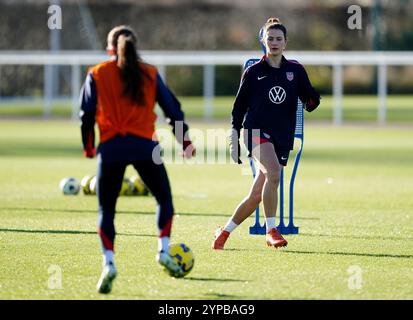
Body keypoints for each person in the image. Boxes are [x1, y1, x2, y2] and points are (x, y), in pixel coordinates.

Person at [80, 25, 195, 293]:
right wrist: (185, 142)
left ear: (110, 48)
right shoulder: (150, 74)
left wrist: (88, 146)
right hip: (145, 147)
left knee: (106, 211)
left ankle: (109, 263)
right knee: (163, 200)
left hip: (111, 149)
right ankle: (164, 250)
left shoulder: (97, 74)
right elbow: (173, 110)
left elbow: (85, 114)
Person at [212, 17, 320, 250]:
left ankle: (224, 231)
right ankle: (272, 231)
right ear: (263, 41)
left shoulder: (296, 70)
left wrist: (313, 100)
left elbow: (309, 98)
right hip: (255, 131)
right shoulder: (253, 72)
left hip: (282, 135)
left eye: (278, 39)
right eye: (270, 38)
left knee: (257, 194)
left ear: (285, 42)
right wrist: (233, 136)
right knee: (273, 173)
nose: (274, 42)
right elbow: (239, 107)